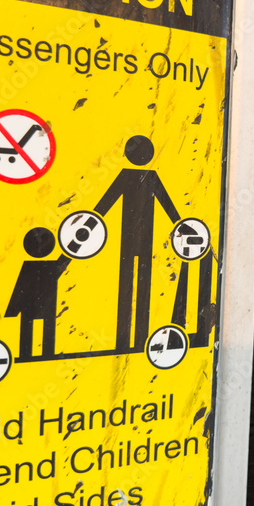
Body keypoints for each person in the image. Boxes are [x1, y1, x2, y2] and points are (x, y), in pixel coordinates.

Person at [95, 135, 180, 351]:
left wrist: (180, 223)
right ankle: (128, 339)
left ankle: (135, 339)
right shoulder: (134, 177)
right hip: (137, 239)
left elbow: (168, 207)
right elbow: (104, 205)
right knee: (133, 284)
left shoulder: (148, 178)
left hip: (139, 239)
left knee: (135, 284)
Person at [5, 227, 70, 360]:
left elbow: (20, 287)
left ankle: (30, 354)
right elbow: (21, 285)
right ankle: (31, 354)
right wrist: (13, 309)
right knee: (36, 329)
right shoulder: (34, 266)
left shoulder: (32, 265)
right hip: (38, 304)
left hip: (43, 304)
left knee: (39, 329)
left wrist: (12, 309)